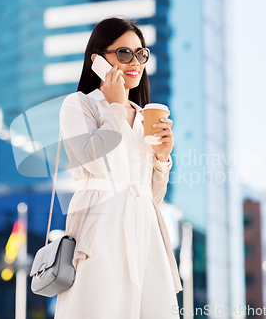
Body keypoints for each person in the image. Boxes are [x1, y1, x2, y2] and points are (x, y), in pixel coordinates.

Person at [55, 17, 182, 319]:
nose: (134, 62)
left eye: (141, 54)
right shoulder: (80, 105)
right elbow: (95, 162)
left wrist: (162, 158)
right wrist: (114, 106)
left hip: (146, 230)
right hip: (101, 226)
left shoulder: (144, 116)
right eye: (124, 53)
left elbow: (151, 195)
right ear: (97, 60)